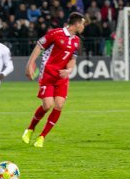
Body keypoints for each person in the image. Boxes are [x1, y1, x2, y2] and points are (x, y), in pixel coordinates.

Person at [22, 12, 85, 148]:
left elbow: (73, 59)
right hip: (48, 75)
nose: (83, 27)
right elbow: (39, 45)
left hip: (62, 77)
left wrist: (68, 70)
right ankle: (30, 129)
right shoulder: (55, 33)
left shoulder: (76, 41)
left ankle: (42, 137)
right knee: (47, 105)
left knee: (59, 105)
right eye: (83, 24)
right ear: (77, 24)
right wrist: (30, 64)